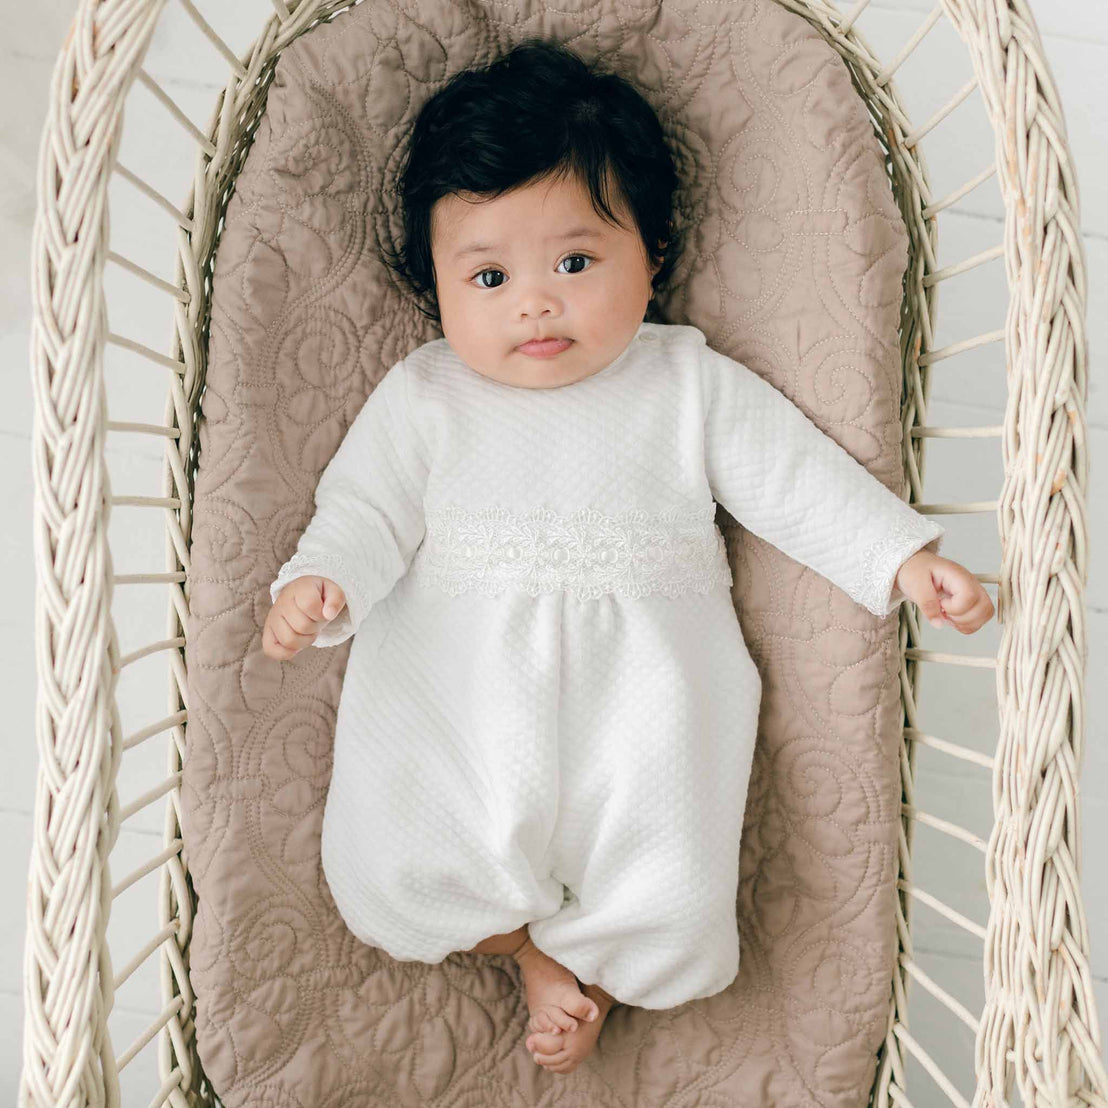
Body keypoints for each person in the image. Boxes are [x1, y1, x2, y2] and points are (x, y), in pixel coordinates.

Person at [261, 39, 994, 1076]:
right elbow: (364, 508)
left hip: (644, 690)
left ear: (651, 253)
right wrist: (319, 582)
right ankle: (521, 947)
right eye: (488, 274)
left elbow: (794, 479)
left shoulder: (684, 385)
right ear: (435, 285)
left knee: (671, 866)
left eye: (574, 261)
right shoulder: (426, 396)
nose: (535, 302)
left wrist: (900, 558)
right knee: (394, 851)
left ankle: (595, 966)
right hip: (461, 685)